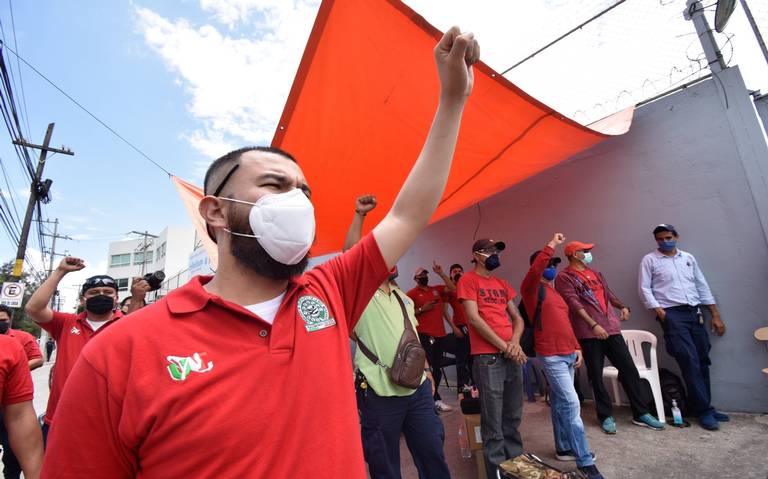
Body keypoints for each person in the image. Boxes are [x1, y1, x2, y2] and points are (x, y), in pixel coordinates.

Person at [41, 27, 480, 478]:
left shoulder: (328, 292)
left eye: (305, 193)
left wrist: (451, 101)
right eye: (275, 185)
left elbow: (406, 215)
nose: (297, 202)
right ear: (214, 211)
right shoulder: (121, 351)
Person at [345, 194, 451, 479]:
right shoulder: (362, 294)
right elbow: (350, 256)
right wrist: (359, 215)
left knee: (432, 453)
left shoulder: (403, 298)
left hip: (416, 389)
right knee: (384, 465)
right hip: (378, 392)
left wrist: (427, 370)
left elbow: (413, 338)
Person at [555, 241, 665, 434]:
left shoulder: (596, 273)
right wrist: (594, 325)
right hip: (589, 334)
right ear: (573, 254)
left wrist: (622, 306)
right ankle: (605, 415)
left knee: (629, 370)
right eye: (585, 251)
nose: (588, 253)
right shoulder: (565, 277)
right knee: (596, 376)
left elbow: (608, 294)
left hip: (612, 329)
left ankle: (641, 413)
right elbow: (573, 303)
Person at [522, 234, 603, 479]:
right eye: (548, 265)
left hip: (568, 353)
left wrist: (576, 347)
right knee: (572, 403)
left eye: (555, 264)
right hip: (551, 355)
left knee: (560, 403)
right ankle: (584, 460)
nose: (552, 268)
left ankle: (564, 448)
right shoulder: (531, 290)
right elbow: (536, 269)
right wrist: (551, 244)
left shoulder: (554, 293)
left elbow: (565, 324)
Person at [25, 260, 128, 443]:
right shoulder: (66, 323)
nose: (101, 295)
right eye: (94, 292)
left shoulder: (130, 325)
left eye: (108, 292)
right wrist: (60, 271)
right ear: (82, 300)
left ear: (116, 298)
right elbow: (34, 309)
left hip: (112, 424)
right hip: (61, 420)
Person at [638, 224, 728, 431]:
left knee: (703, 359)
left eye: (668, 237)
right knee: (688, 360)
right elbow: (644, 288)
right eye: (660, 239)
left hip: (695, 312)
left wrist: (715, 314)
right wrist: (660, 311)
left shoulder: (688, 258)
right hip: (673, 315)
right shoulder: (650, 260)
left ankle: (704, 407)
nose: (664, 241)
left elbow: (701, 284)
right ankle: (704, 411)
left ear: (677, 236)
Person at [458, 238, 526, 479]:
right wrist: (505, 347)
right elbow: (474, 319)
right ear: (477, 255)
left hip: (511, 355)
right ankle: (498, 472)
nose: (495, 255)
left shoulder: (501, 283)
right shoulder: (467, 281)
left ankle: (517, 467)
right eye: (490, 251)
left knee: (513, 415)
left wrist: (515, 343)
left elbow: (517, 318)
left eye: (497, 251)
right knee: (493, 421)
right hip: (488, 359)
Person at [407, 262, 457, 412]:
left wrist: (441, 273)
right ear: (416, 278)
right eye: (421, 275)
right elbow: (406, 313)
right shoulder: (412, 294)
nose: (424, 277)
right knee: (430, 368)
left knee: (437, 368)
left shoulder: (436, 290)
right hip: (424, 335)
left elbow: (453, 288)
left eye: (426, 275)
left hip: (440, 334)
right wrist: (422, 309)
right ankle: (433, 400)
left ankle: (433, 398)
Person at [0, 305, 43, 478]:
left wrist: (16, 370)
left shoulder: (12, 345)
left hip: (9, 404)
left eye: (3, 319)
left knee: (11, 453)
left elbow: (21, 418)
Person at [445, 263, 472, 389]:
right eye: (454, 271)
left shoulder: (468, 286)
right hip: (460, 326)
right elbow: (444, 311)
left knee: (473, 359)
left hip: (473, 326)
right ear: (451, 274)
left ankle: (475, 387)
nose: (457, 272)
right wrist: (454, 328)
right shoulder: (449, 290)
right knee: (462, 360)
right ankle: (462, 389)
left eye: (459, 270)